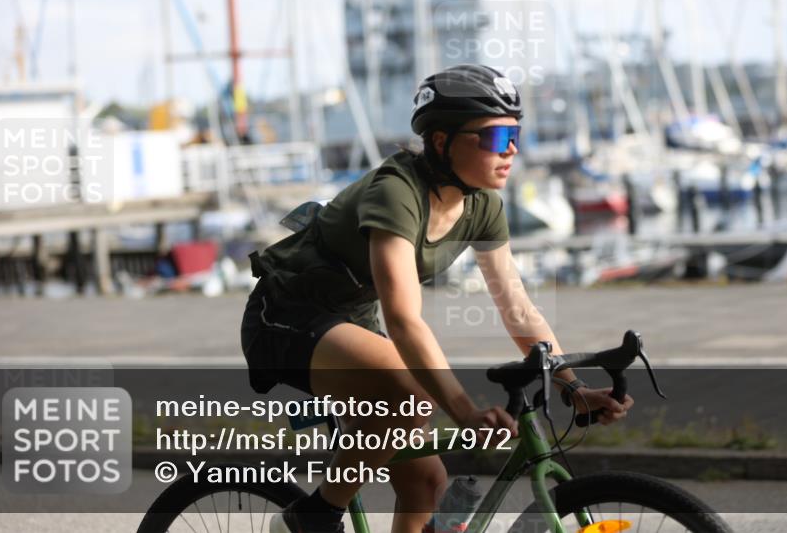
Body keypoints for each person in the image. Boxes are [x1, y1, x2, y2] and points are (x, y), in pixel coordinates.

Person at [240, 64, 633, 533]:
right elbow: (404, 320)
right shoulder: (397, 193)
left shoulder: (482, 204)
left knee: (427, 484)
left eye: (515, 135)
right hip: (286, 317)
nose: (509, 150)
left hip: (352, 323)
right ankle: (313, 517)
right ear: (443, 142)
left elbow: (517, 307)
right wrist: (464, 410)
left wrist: (572, 386)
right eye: (493, 137)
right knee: (409, 396)